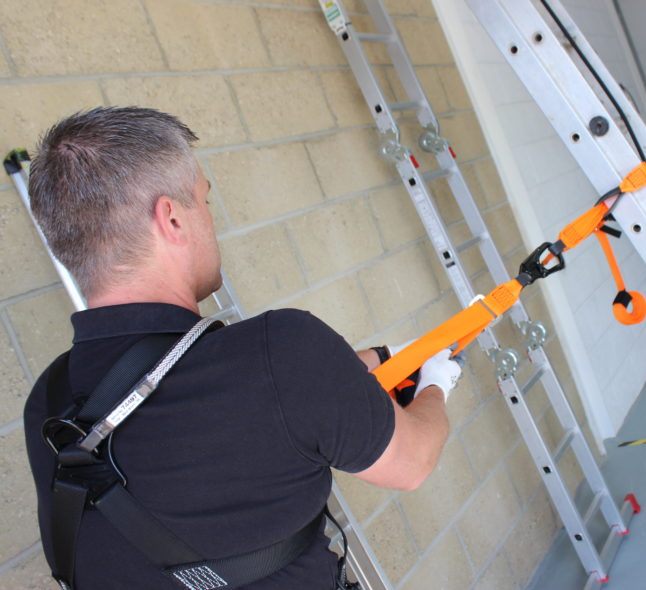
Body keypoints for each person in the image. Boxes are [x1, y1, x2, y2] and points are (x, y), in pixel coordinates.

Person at [23, 107, 462, 590]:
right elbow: (411, 461)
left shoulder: (48, 400)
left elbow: (235, 418)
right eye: (203, 201)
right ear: (171, 218)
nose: (210, 219)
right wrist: (437, 384)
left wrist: (375, 359)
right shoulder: (283, 351)